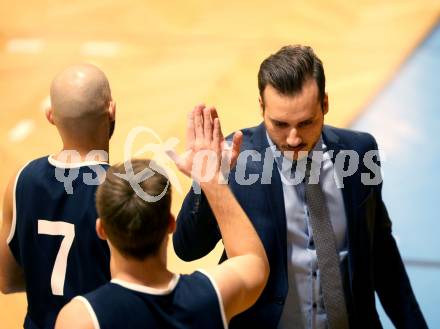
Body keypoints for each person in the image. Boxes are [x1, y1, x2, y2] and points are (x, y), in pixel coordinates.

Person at [173, 45, 427, 328]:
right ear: (261, 107)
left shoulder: (359, 152)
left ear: (325, 104)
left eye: (306, 122)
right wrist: (208, 182)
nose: (293, 138)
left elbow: (381, 252)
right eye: (280, 124)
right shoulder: (234, 159)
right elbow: (187, 248)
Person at [55, 106, 269, 329]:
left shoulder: (82, 319)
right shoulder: (212, 297)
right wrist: (211, 178)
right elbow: (253, 259)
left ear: (101, 229)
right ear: (171, 224)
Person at [0, 64, 116, 329]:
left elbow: (5, 281)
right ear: (111, 110)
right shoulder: (120, 189)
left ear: (50, 115)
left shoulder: (20, 180)